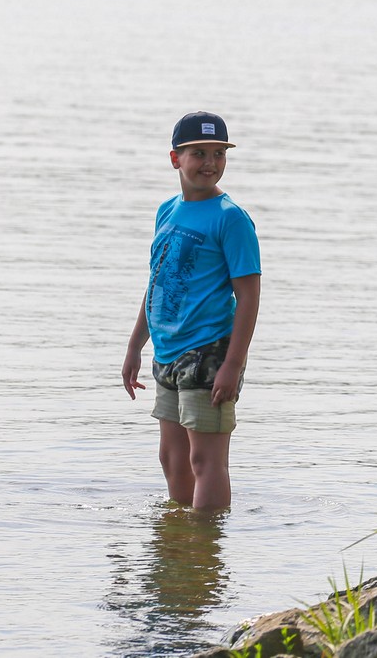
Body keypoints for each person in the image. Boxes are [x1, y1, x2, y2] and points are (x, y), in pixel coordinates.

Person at [122, 112, 262, 511]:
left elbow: (249, 296)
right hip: (168, 351)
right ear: (175, 159)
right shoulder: (167, 210)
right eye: (198, 153)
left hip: (210, 352)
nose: (210, 163)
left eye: (218, 154)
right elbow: (158, 282)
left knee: (206, 460)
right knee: (172, 459)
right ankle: (180, 552)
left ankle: (207, 556)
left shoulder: (230, 219)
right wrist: (135, 346)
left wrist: (232, 364)